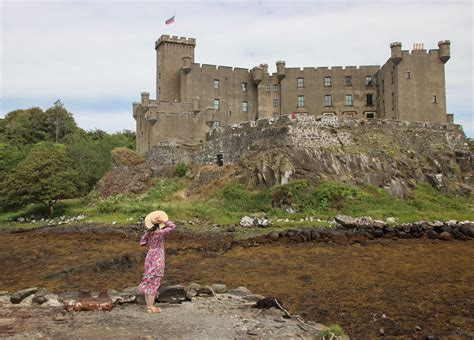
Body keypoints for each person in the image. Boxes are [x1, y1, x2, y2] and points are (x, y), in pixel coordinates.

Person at [138, 210, 176, 313]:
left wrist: (150, 243)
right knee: (154, 280)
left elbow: (142, 242)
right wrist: (165, 220)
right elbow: (173, 227)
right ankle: (151, 307)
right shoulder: (159, 233)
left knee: (148, 279)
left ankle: (149, 306)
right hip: (158, 256)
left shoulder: (149, 233)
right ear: (159, 224)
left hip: (150, 255)